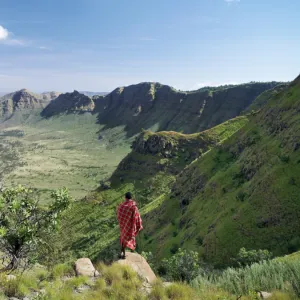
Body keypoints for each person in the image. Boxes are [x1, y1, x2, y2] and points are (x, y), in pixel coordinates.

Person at [117, 192, 143, 259]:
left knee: (123, 238)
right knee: (127, 238)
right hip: (130, 226)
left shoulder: (122, 206)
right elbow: (137, 216)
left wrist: (122, 222)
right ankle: (124, 253)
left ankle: (123, 253)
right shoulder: (133, 206)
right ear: (131, 198)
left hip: (123, 226)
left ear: (125, 198)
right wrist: (138, 224)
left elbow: (119, 215)